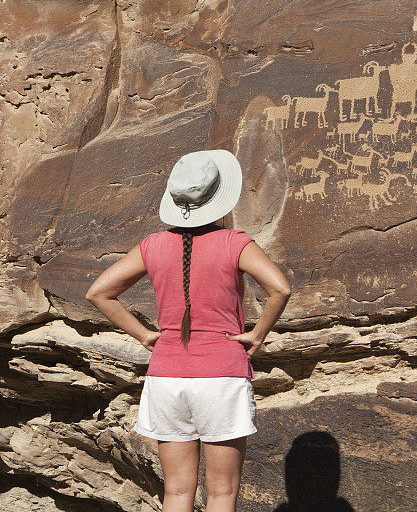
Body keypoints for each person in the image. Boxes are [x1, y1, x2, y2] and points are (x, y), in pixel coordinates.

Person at [85, 149, 291, 512]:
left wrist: (145, 335)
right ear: (219, 199)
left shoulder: (152, 245)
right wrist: (257, 335)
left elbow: (99, 292)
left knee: (177, 493)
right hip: (220, 376)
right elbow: (280, 288)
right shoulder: (235, 242)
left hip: (165, 375)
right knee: (222, 493)